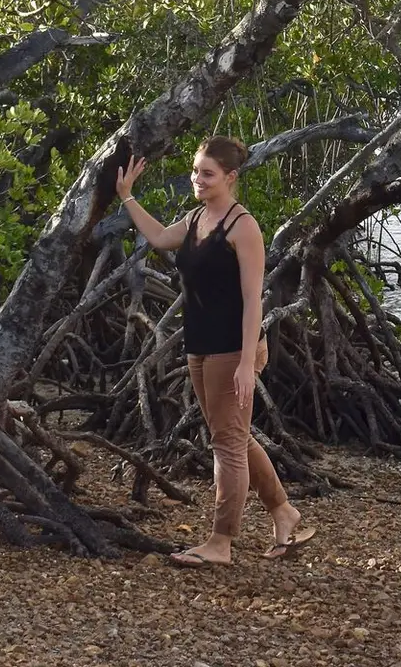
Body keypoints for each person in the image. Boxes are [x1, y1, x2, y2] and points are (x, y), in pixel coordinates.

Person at [115, 135, 316, 566]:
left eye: (207, 174)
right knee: (233, 438)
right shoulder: (193, 219)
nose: (197, 180)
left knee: (226, 444)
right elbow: (159, 237)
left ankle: (221, 542)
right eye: (194, 171)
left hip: (233, 347)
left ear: (230, 176)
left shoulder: (243, 226)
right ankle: (284, 511)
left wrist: (246, 362)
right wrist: (127, 196)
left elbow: (251, 300)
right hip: (200, 345)